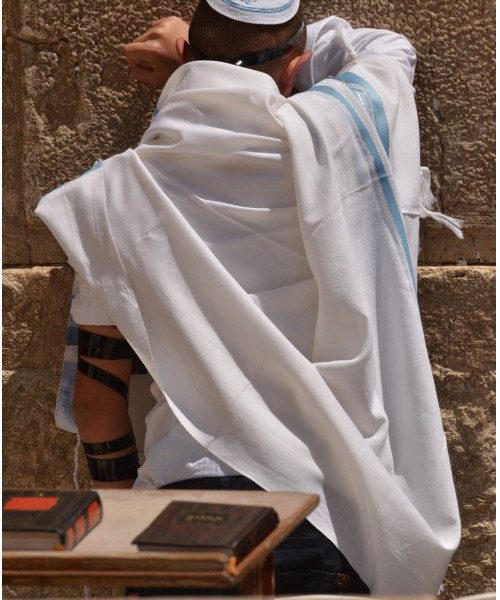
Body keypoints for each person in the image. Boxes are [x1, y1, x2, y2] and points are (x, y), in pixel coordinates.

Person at [35, 0, 461, 595]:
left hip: (179, 518)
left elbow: (96, 398)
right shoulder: (332, 138)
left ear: (189, 55)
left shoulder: (114, 196)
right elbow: (388, 49)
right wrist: (236, 57)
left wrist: (127, 536)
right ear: (296, 65)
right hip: (321, 516)